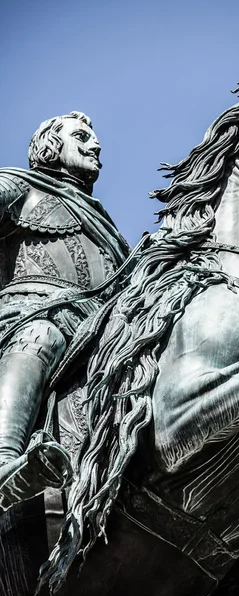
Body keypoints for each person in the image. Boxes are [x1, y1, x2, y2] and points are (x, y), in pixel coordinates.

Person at [0, 111, 130, 511]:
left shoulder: (111, 232)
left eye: (94, 138)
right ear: (51, 146)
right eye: (82, 136)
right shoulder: (19, 186)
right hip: (33, 311)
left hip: (99, 330)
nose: (96, 145)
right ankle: (4, 459)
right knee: (42, 333)